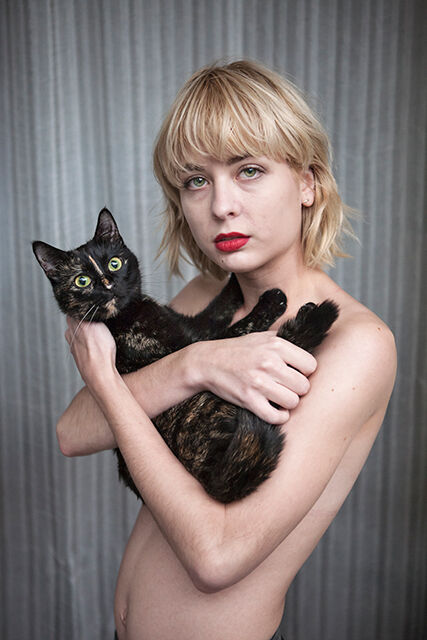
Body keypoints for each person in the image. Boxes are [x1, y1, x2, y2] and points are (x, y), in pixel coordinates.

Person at [57, 60, 397, 640]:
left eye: (249, 170)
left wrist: (110, 380)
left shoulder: (357, 344)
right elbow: (73, 432)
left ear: (308, 183)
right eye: (196, 180)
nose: (221, 206)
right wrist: (196, 363)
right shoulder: (202, 295)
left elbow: (216, 558)